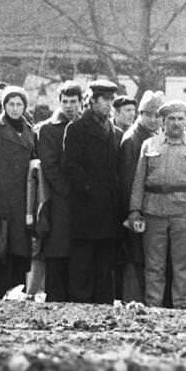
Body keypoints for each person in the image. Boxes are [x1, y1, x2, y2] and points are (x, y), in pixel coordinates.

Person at [127, 99, 186, 310]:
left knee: (183, 265)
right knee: (154, 265)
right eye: (171, 119)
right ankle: (154, 307)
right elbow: (139, 180)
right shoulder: (149, 145)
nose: (176, 123)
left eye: (180, 119)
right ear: (163, 121)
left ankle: (181, 307)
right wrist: (135, 210)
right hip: (154, 211)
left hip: (185, 213)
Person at [61, 79, 122, 303]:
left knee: (104, 262)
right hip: (85, 207)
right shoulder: (77, 128)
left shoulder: (114, 131)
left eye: (111, 100)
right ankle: (80, 303)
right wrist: (88, 188)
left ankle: (103, 303)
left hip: (107, 207)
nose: (109, 104)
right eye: (104, 100)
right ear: (92, 101)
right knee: (83, 260)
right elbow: (71, 166)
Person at [0, 85, 36, 295]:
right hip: (1, 199)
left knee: (18, 250)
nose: (14, 108)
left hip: (22, 200)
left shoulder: (29, 129)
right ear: (4, 106)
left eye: (19, 104)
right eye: (10, 104)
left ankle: (15, 292)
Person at [35, 82, 81, 302]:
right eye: (65, 102)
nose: (69, 106)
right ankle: (55, 298)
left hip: (81, 200)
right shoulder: (48, 129)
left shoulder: (85, 126)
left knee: (77, 253)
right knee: (56, 250)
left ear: (81, 102)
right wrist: (67, 190)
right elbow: (49, 165)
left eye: (73, 102)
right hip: (58, 199)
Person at [118, 91, 163, 303]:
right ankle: (135, 301)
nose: (154, 119)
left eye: (158, 115)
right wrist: (133, 212)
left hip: (152, 208)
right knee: (137, 258)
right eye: (149, 114)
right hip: (138, 211)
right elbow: (128, 181)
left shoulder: (153, 137)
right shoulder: (133, 140)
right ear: (140, 114)